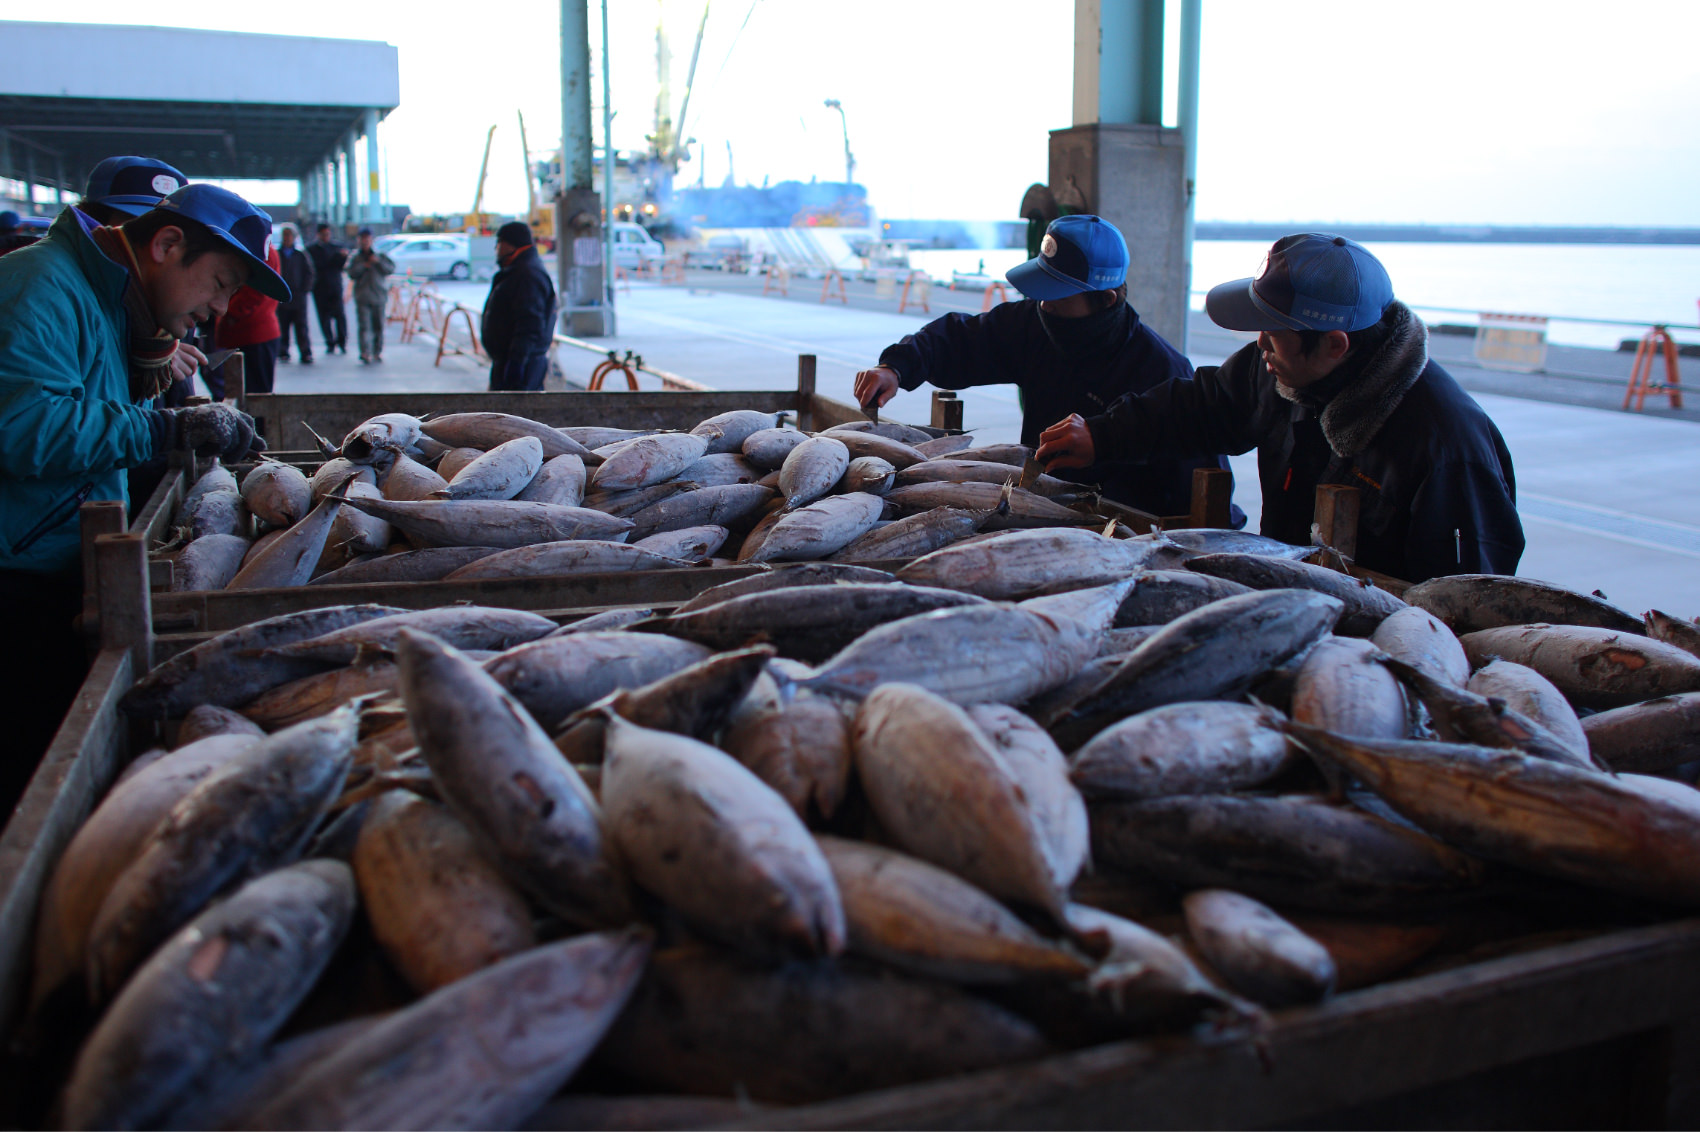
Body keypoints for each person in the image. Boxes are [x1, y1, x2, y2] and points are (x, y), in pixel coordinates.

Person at [0, 183, 279, 813]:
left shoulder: (107, 302)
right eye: (219, 282)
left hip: (59, 558)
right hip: (16, 578)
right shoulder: (41, 286)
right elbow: (22, 427)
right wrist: (165, 429)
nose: (220, 308)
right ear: (167, 244)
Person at [1037, 233, 1525, 582]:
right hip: (1285, 594)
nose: (1260, 346)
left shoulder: (1446, 449)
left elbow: (1470, 593)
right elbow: (1203, 404)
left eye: (1272, 333)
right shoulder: (1282, 367)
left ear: (1335, 345)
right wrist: (1102, 435)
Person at [853, 214, 1233, 520]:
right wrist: (897, 366)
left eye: (1057, 295)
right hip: (1034, 509)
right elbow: (961, 339)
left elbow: (1195, 487)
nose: (1043, 305)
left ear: (1104, 299)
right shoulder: (1034, 324)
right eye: (1039, 292)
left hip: (1120, 528)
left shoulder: (1162, 370)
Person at [482, 220, 558, 391]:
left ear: (510, 244)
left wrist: (516, 364)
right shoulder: (519, 271)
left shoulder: (526, 275)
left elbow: (530, 324)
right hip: (512, 361)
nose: (497, 249)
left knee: (514, 414)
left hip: (523, 365)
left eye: (499, 242)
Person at [210, 242, 284, 398]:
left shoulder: (262, 251)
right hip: (243, 332)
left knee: (255, 396)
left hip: (252, 333)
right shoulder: (257, 248)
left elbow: (254, 294)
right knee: (240, 393)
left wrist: (229, 314)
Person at [345, 227, 395, 364]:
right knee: (364, 326)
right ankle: (365, 352)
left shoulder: (380, 255)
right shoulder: (356, 257)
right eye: (362, 239)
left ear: (371, 240)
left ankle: (377, 352)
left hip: (379, 296)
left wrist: (377, 262)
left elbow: (390, 269)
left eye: (367, 239)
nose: (365, 241)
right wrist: (364, 265)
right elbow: (351, 273)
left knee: (378, 326)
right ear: (359, 240)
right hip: (363, 297)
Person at [275, 225, 316, 365]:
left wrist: (305, 289)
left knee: (301, 326)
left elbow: (309, 273)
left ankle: (305, 352)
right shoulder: (277, 254)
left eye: (289, 235)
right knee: (283, 326)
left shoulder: (300, 255)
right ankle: (283, 351)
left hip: (298, 296)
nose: (287, 238)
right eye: (285, 235)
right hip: (282, 297)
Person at [307, 222, 349, 355]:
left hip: (335, 285)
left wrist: (342, 257)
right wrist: (336, 257)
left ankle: (342, 341)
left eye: (328, 234)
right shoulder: (312, 249)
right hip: (320, 287)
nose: (326, 236)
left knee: (339, 315)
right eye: (323, 234)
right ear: (318, 234)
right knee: (324, 317)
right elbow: (319, 264)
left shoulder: (336, 247)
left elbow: (340, 266)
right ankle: (330, 342)